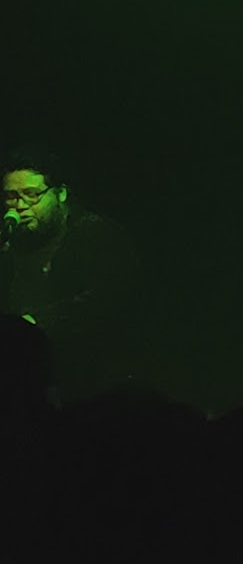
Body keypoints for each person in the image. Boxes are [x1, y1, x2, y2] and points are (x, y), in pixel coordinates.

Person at [1, 148, 140, 397]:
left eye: (32, 195)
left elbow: (107, 299)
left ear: (61, 193)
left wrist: (33, 323)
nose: (19, 206)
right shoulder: (13, 243)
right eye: (11, 196)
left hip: (90, 382)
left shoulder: (95, 235)